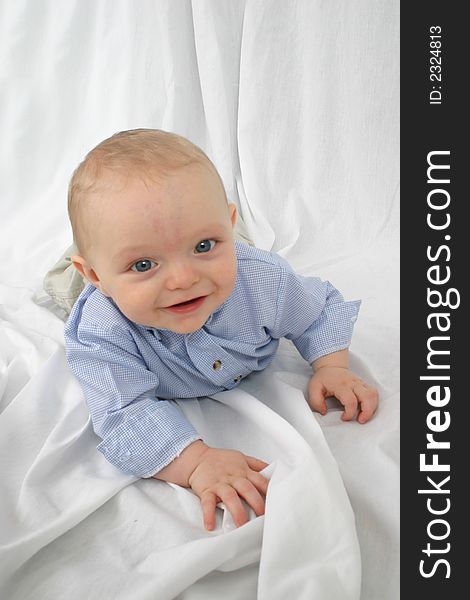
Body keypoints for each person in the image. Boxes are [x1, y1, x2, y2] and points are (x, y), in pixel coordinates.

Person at [64, 128, 379, 531]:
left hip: (226, 257)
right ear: (96, 275)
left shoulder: (262, 279)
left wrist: (331, 366)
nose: (182, 279)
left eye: (204, 245)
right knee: (63, 283)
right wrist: (194, 462)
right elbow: (122, 413)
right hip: (89, 287)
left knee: (179, 245)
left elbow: (319, 310)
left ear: (229, 226)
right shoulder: (101, 329)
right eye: (143, 264)